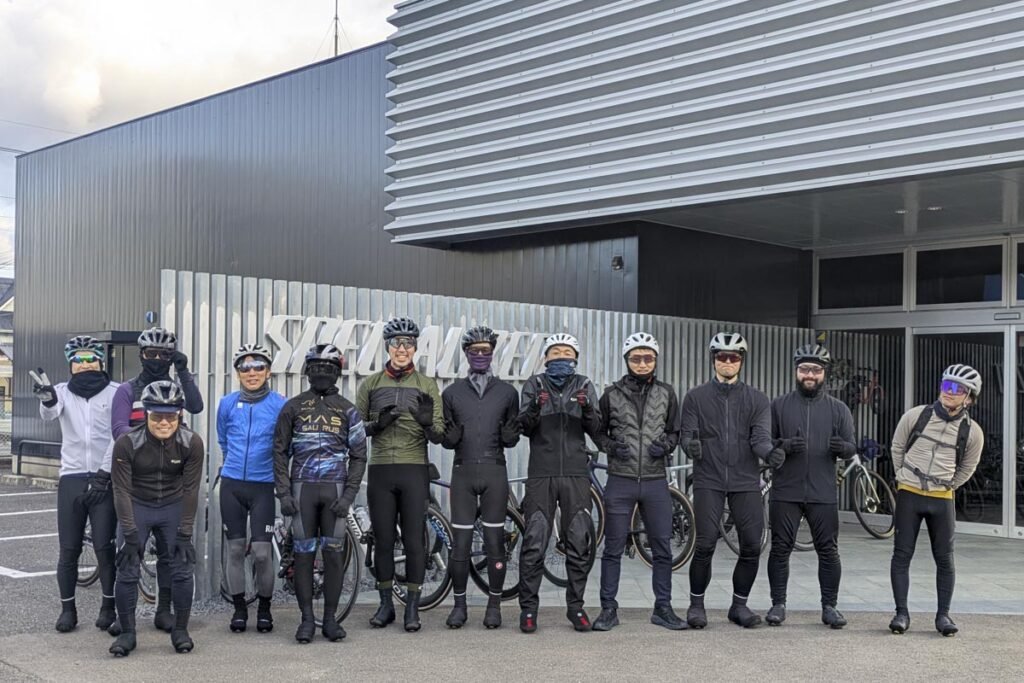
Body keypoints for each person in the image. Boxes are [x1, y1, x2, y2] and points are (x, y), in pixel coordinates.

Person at [679, 332, 779, 629]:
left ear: (741, 361)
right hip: (708, 478)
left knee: (751, 546)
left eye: (733, 357)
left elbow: (760, 438)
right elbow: (686, 435)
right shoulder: (695, 397)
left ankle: (739, 606)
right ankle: (696, 605)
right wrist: (690, 446)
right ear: (713, 360)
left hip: (745, 480)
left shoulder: (757, 399)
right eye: (721, 356)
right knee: (705, 544)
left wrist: (770, 453)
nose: (727, 361)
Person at [110, 327, 204, 633]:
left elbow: (196, 406)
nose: (158, 359)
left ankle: (163, 610)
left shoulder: (175, 388)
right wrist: (148, 443)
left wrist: (184, 372)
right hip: (136, 475)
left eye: (165, 354)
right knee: (127, 554)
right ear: (142, 355)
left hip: (171, 479)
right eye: (152, 353)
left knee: (169, 556)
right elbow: (119, 429)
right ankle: (122, 618)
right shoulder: (128, 390)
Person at [355, 317, 444, 632]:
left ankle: (412, 608)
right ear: (388, 347)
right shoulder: (370, 384)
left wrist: (427, 423)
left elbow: (440, 433)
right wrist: (375, 426)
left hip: (413, 468)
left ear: (415, 348)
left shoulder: (427, 384)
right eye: (396, 343)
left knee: (413, 541)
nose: (402, 348)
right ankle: (385, 606)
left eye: (408, 343)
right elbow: (355, 430)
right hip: (380, 469)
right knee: (383, 540)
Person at [273, 344, 366, 643]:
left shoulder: (349, 410)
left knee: (334, 557)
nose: (322, 373)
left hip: (335, 492)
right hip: (302, 491)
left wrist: (349, 496)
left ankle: (329, 620)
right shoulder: (293, 407)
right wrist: (284, 493)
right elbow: (279, 451)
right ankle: (306, 621)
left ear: (337, 372)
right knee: (303, 556)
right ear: (307, 371)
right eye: (316, 368)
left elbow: (359, 456)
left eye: (328, 368)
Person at [592, 332, 685, 632]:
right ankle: (608, 609)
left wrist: (667, 446)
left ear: (655, 360)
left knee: (662, 547)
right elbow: (598, 432)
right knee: (612, 548)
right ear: (627, 360)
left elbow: (675, 431)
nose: (642, 363)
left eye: (648, 358)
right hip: (621, 479)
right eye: (636, 358)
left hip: (655, 481)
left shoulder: (667, 393)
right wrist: (610, 447)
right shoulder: (610, 395)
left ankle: (663, 608)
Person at [888, 364, 983, 637]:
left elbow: (968, 466)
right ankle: (901, 613)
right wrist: (902, 476)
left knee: (945, 559)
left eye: (957, 389)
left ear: (969, 398)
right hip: (910, 494)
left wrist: (950, 485)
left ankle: (943, 616)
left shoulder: (972, 432)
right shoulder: (916, 415)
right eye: (946, 385)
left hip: (942, 498)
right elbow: (897, 446)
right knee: (902, 555)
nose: (949, 392)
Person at [34, 336, 121, 635]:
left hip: (104, 477)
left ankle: (108, 606)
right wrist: (46, 399)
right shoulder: (60, 391)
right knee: (69, 548)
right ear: (70, 364)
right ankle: (68, 609)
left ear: (100, 361)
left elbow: (118, 435)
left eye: (90, 359)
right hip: (71, 477)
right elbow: (49, 414)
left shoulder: (116, 392)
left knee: (104, 546)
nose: (84, 365)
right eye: (78, 360)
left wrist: (104, 473)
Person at [517, 332, 603, 634]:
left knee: (579, 541)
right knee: (535, 542)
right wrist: (534, 408)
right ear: (546, 358)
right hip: (542, 472)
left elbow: (597, 430)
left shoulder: (584, 384)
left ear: (575, 357)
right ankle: (528, 610)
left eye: (567, 352)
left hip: (576, 474)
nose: (561, 357)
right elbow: (522, 428)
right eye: (555, 352)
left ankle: (576, 607)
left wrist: (588, 408)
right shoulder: (534, 384)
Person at [766, 344, 855, 629]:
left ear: (824, 373)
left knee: (828, 550)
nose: (810, 375)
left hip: (822, 491)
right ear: (796, 371)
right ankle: (778, 604)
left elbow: (851, 447)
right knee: (780, 549)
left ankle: (830, 607)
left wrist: (843, 448)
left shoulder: (839, 409)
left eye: (816, 370)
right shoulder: (778, 406)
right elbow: (764, 444)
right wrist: (784, 445)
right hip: (786, 490)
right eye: (804, 369)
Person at [440, 326, 520, 630]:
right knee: (460, 545)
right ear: (465, 354)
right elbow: (445, 436)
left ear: (493, 353)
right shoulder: (451, 393)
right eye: (474, 351)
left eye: (485, 350)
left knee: (494, 542)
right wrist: (448, 439)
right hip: (462, 471)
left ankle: (494, 605)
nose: (480, 355)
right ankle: (459, 606)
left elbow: (513, 433)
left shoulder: (508, 393)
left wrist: (512, 437)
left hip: (494, 471)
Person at [216, 343, 286, 634]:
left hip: (263, 486)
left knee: (261, 552)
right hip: (232, 484)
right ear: (238, 373)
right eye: (245, 367)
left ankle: (265, 609)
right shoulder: (227, 404)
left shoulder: (280, 404)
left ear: (268, 372)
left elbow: (285, 445)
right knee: (234, 550)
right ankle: (239, 609)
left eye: (259, 366)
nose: (252, 372)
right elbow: (223, 439)